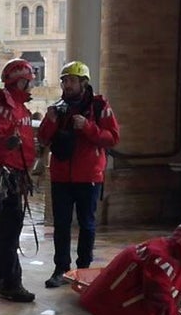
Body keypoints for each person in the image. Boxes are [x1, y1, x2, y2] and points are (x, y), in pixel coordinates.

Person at [38, 61, 121, 288]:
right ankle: (61, 269)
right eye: (64, 80)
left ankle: (84, 269)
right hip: (61, 176)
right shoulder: (59, 108)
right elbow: (43, 139)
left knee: (87, 224)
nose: (67, 85)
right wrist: (51, 121)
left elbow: (112, 138)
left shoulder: (99, 106)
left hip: (89, 176)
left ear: (83, 83)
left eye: (71, 80)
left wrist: (87, 126)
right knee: (61, 225)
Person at [0, 59, 38, 303]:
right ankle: (11, 283)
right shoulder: (3, 107)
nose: (30, 86)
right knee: (10, 230)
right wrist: (7, 143)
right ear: (19, 81)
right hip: (7, 175)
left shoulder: (18, 106)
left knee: (3, 228)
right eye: (27, 81)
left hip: (17, 172)